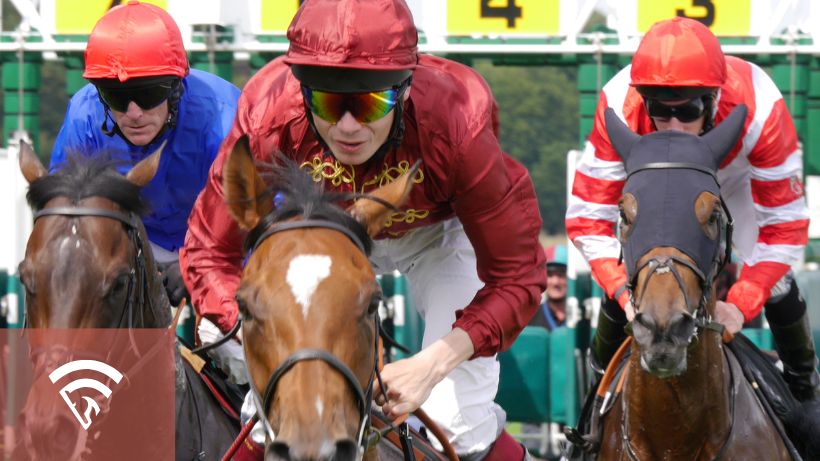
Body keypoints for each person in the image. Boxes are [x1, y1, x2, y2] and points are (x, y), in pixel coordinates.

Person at [180, 0, 546, 458]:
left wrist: (434, 364)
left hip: (435, 237)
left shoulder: (458, 122)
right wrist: (258, 327)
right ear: (303, 91)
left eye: (372, 102)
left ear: (405, 90)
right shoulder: (268, 112)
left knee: (458, 425)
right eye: (329, 102)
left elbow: (519, 275)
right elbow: (208, 253)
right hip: (318, 237)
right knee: (261, 403)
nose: (348, 126)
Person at [566, 16, 819, 402]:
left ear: (715, 98)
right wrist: (621, 292)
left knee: (776, 281)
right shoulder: (618, 103)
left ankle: (806, 393)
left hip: (739, 179)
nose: (673, 125)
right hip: (658, 179)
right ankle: (594, 403)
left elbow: (784, 227)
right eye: (659, 110)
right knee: (633, 270)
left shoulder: (761, 107)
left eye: (688, 111)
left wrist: (741, 302)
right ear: (642, 99)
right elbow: (588, 218)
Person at [49, 1, 241, 309]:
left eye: (149, 94)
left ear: (176, 87)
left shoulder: (225, 118)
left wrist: (199, 261)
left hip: (220, 245)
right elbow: (65, 217)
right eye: (117, 97)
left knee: (232, 342)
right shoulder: (83, 115)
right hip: (130, 241)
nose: (134, 113)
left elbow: (258, 215)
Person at [529, 245, 568, 331]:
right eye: (549, 275)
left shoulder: (583, 320)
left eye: (561, 275)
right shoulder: (529, 319)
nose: (555, 282)